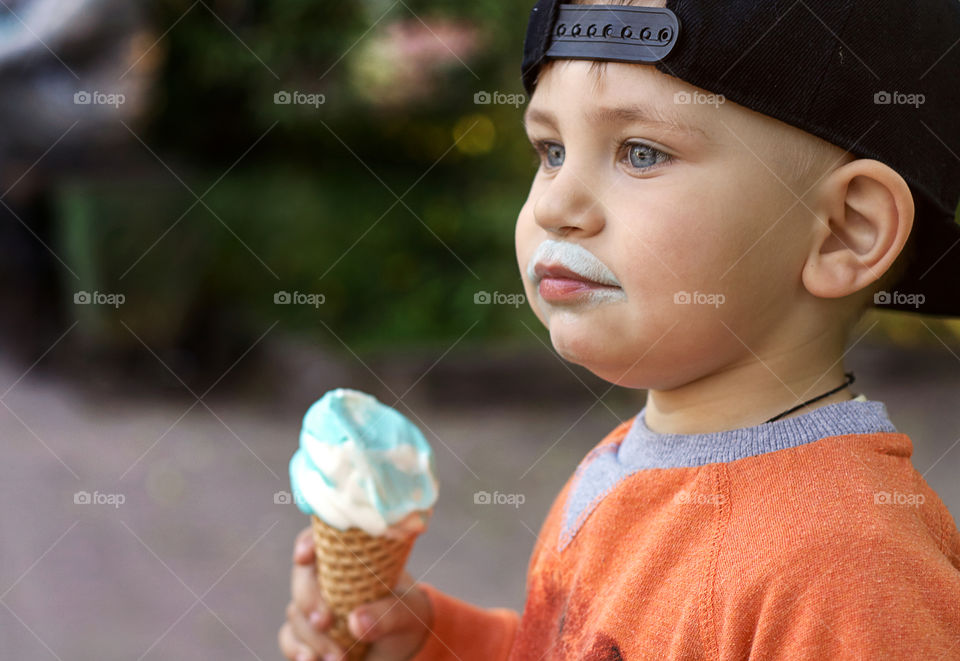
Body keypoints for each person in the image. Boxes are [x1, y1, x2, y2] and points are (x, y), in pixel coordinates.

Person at [279, 0, 960, 658]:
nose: (556, 204)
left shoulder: (847, 566)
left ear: (845, 231)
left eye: (639, 153)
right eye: (550, 150)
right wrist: (434, 641)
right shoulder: (633, 458)